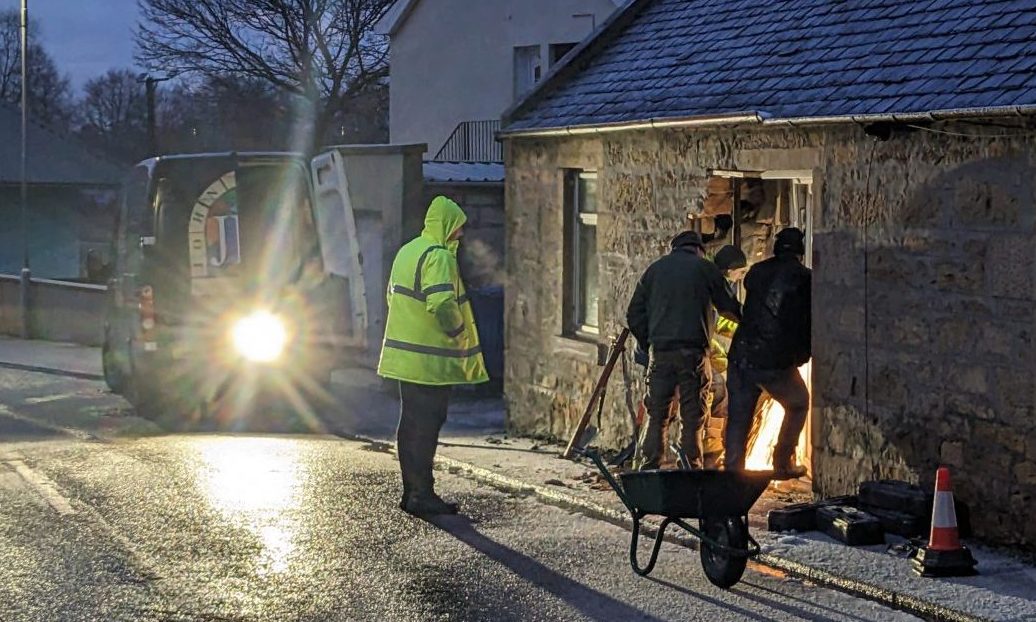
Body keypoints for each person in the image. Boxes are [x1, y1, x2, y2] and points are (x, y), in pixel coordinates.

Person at [378, 196, 489, 515]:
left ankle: (411, 492)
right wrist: (456, 332)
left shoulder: (408, 251)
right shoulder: (439, 257)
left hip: (404, 359)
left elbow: (392, 297)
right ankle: (422, 495)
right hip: (430, 362)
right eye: (458, 228)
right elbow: (441, 303)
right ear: (446, 226)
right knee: (426, 427)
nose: (461, 235)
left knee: (410, 425)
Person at [626, 231, 741, 470]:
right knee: (693, 417)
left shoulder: (654, 271)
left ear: (674, 248)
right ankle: (691, 470)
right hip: (693, 354)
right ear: (699, 249)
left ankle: (649, 469)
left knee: (658, 415)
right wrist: (752, 323)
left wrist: (650, 343)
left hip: (660, 353)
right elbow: (729, 308)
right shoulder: (705, 269)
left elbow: (633, 314)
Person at [725, 227, 812, 478]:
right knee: (798, 403)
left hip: (741, 354)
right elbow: (805, 321)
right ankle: (782, 463)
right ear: (799, 251)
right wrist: (803, 353)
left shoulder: (757, 272)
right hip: (774, 359)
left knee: (739, 418)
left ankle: (733, 473)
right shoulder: (804, 278)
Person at [702, 245, 748, 469]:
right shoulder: (713, 286)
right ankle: (709, 459)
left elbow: (718, 322)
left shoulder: (705, 282)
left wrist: (740, 329)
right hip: (695, 354)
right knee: (718, 394)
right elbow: (715, 318)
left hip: (682, 352)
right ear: (730, 270)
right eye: (740, 273)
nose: (740, 279)